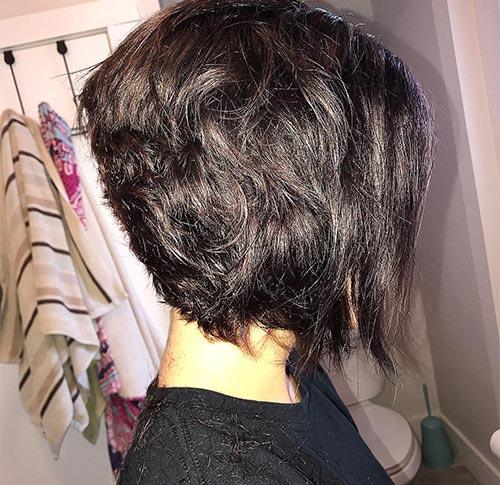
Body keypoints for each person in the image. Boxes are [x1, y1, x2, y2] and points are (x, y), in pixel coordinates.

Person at [77, 0, 437, 482]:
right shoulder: (209, 472)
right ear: (295, 223)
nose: (387, 239)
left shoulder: (287, 363)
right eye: (382, 210)